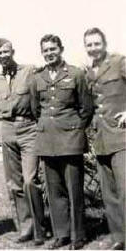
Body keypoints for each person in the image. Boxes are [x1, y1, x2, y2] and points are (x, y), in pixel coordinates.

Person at [31, 34, 92, 250]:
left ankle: (78, 236)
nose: (49, 53)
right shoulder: (37, 77)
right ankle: (62, 234)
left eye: (52, 49)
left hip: (70, 139)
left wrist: (74, 129)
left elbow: (86, 107)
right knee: (54, 190)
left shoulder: (75, 74)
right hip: (47, 140)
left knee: (74, 190)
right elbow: (35, 108)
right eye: (45, 50)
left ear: (61, 49)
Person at [0, 38, 48, 246]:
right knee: (14, 183)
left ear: (13, 51)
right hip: (7, 129)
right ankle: (26, 227)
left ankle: (40, 228)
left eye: (6, 52)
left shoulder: (29, 70)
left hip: (29, 128)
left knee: (30, 181)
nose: (3, 56)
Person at [83, 27, 125, 250]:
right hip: (100, 139)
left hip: (121, 136)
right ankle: (119, 238)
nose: (93, 48)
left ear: (104, 43)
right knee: (109, 194)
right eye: (89, 45)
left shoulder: (119, 62)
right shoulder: (88, 71)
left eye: (96, 43)